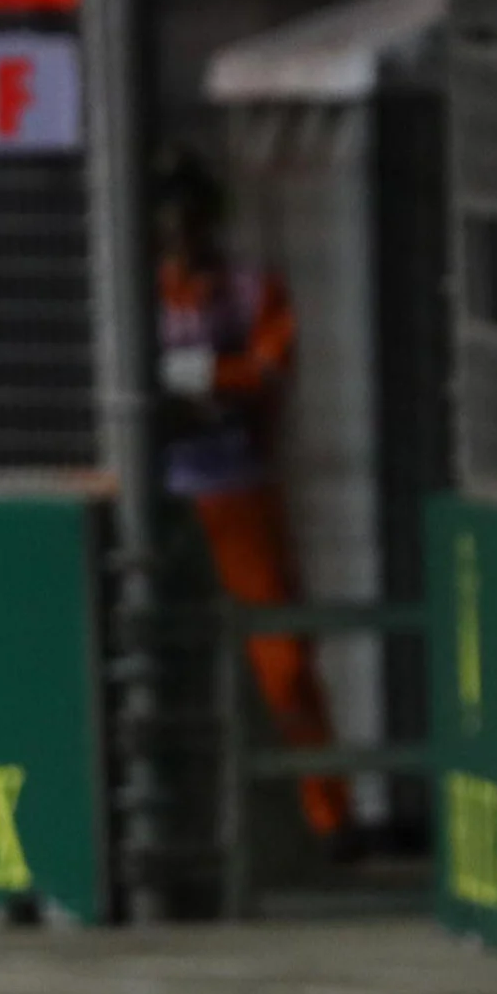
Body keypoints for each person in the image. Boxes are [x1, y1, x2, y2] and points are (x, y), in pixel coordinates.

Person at [154, 145, 351, 845]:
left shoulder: (248, 289)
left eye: (192, 212)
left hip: (238, 493)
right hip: (159, 506)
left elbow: (268, 369)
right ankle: (180, 828)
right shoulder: (134, 295)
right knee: (165, 666)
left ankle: (327, 816)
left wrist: (201, 376)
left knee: (283, 661)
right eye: (168, 213)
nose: (181, 228)